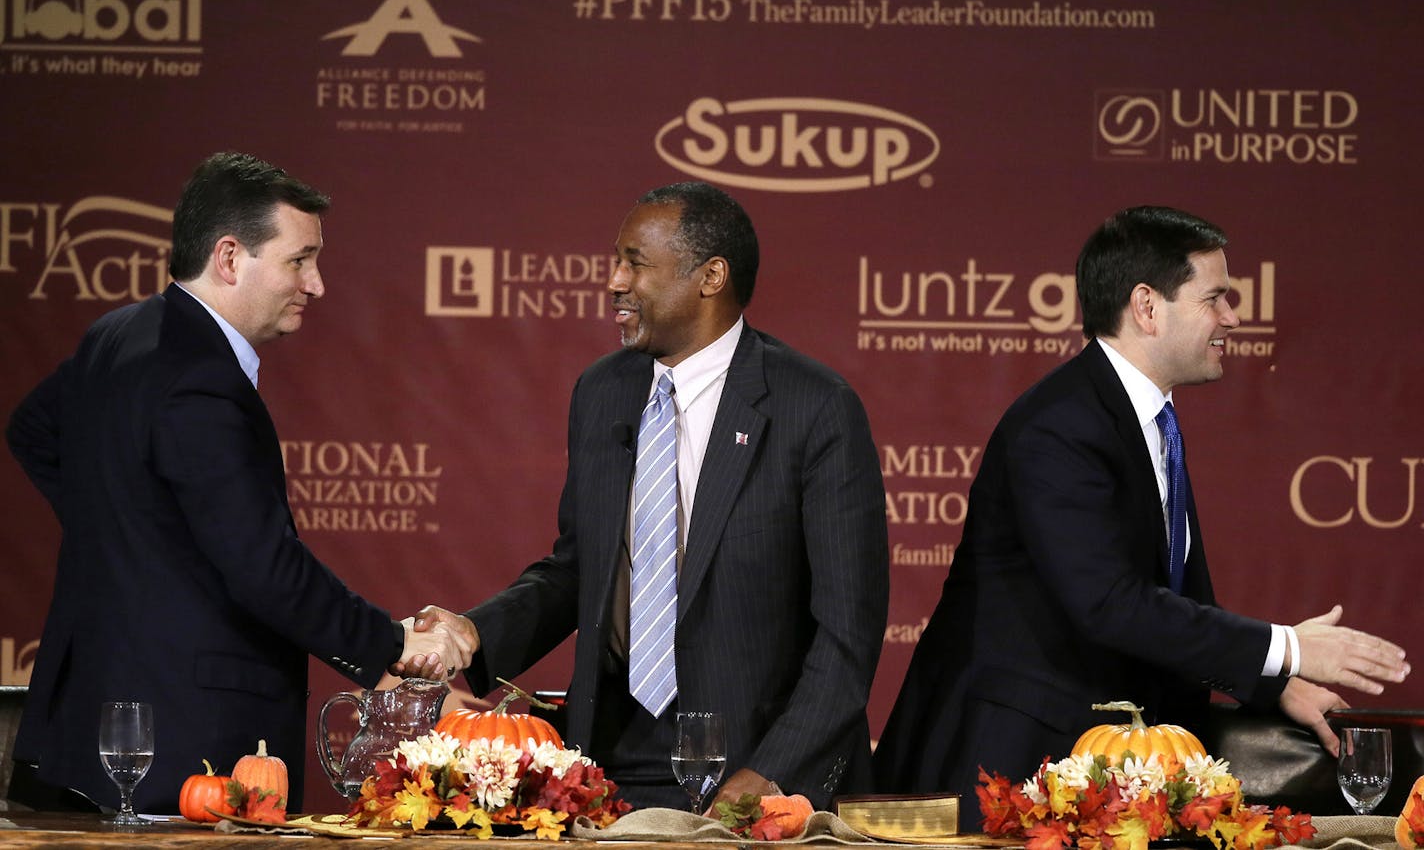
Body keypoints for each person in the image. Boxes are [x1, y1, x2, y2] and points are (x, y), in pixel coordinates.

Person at [873, 206, 1409, 825]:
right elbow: (1111, 604)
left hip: (1098, 774)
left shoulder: (1145, 420)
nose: (1233, 317)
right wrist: (1287, 648)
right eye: (1215, 298)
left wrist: (1271, 682)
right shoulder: (1060, 426)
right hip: (1012, 766)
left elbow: (1167, 596)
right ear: (1148, 307)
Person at [6, 152, 468, 814]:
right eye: (299, 260)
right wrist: (391, 643)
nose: (316, 284)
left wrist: (132, 523)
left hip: (87, 735)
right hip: (183, 746)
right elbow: (263, 565)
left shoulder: (118, 333)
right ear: (229, 258)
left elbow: (32, 430)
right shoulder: (203, 379)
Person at [414, 181, 889, 810]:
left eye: (635, 263)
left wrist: (770, 772)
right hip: (610, 765)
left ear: (710, 276)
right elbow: (578, 570)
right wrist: (474, 632)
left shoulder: (814, 406)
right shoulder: (602, 392)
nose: (613, 281)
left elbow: (848, 630)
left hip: (753, 770)